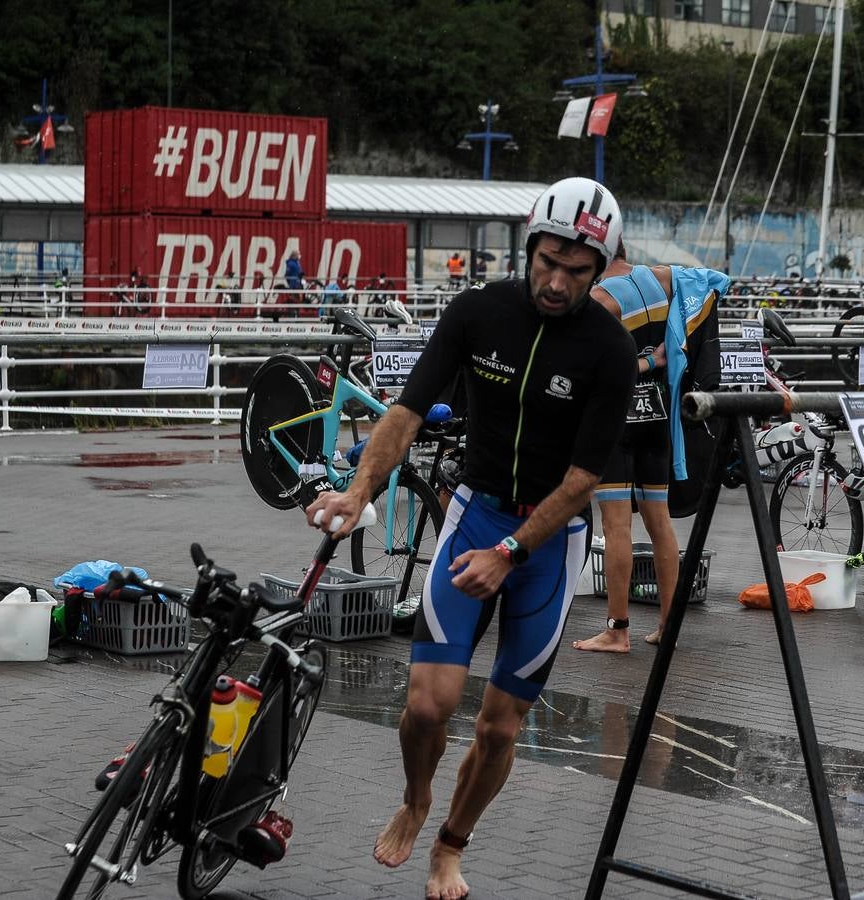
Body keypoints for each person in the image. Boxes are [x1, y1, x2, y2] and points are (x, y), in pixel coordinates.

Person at [306, 177, 635, 900]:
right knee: (427, 703)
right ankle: (418, 798)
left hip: (548, 542)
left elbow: (584, 479)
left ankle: (450, 845)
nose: (556, 282)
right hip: (476, 514)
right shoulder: (478, 312)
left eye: (577, 272)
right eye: (547, 262)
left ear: (601, 268)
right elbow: (408, 410)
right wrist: (359, 488)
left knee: (499, 728)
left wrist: (513, 552)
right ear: (530, 248)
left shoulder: (610, 352)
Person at [572, 243, 716, 652]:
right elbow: (710, 283)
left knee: (617, 526)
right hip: (657, 417)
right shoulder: (661, 279)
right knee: (660, 523)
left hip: (617, 419)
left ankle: (617, 631)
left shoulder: (600, 298)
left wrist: (641, 363)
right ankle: (668, 624)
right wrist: (657, 360)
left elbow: (597, 368)